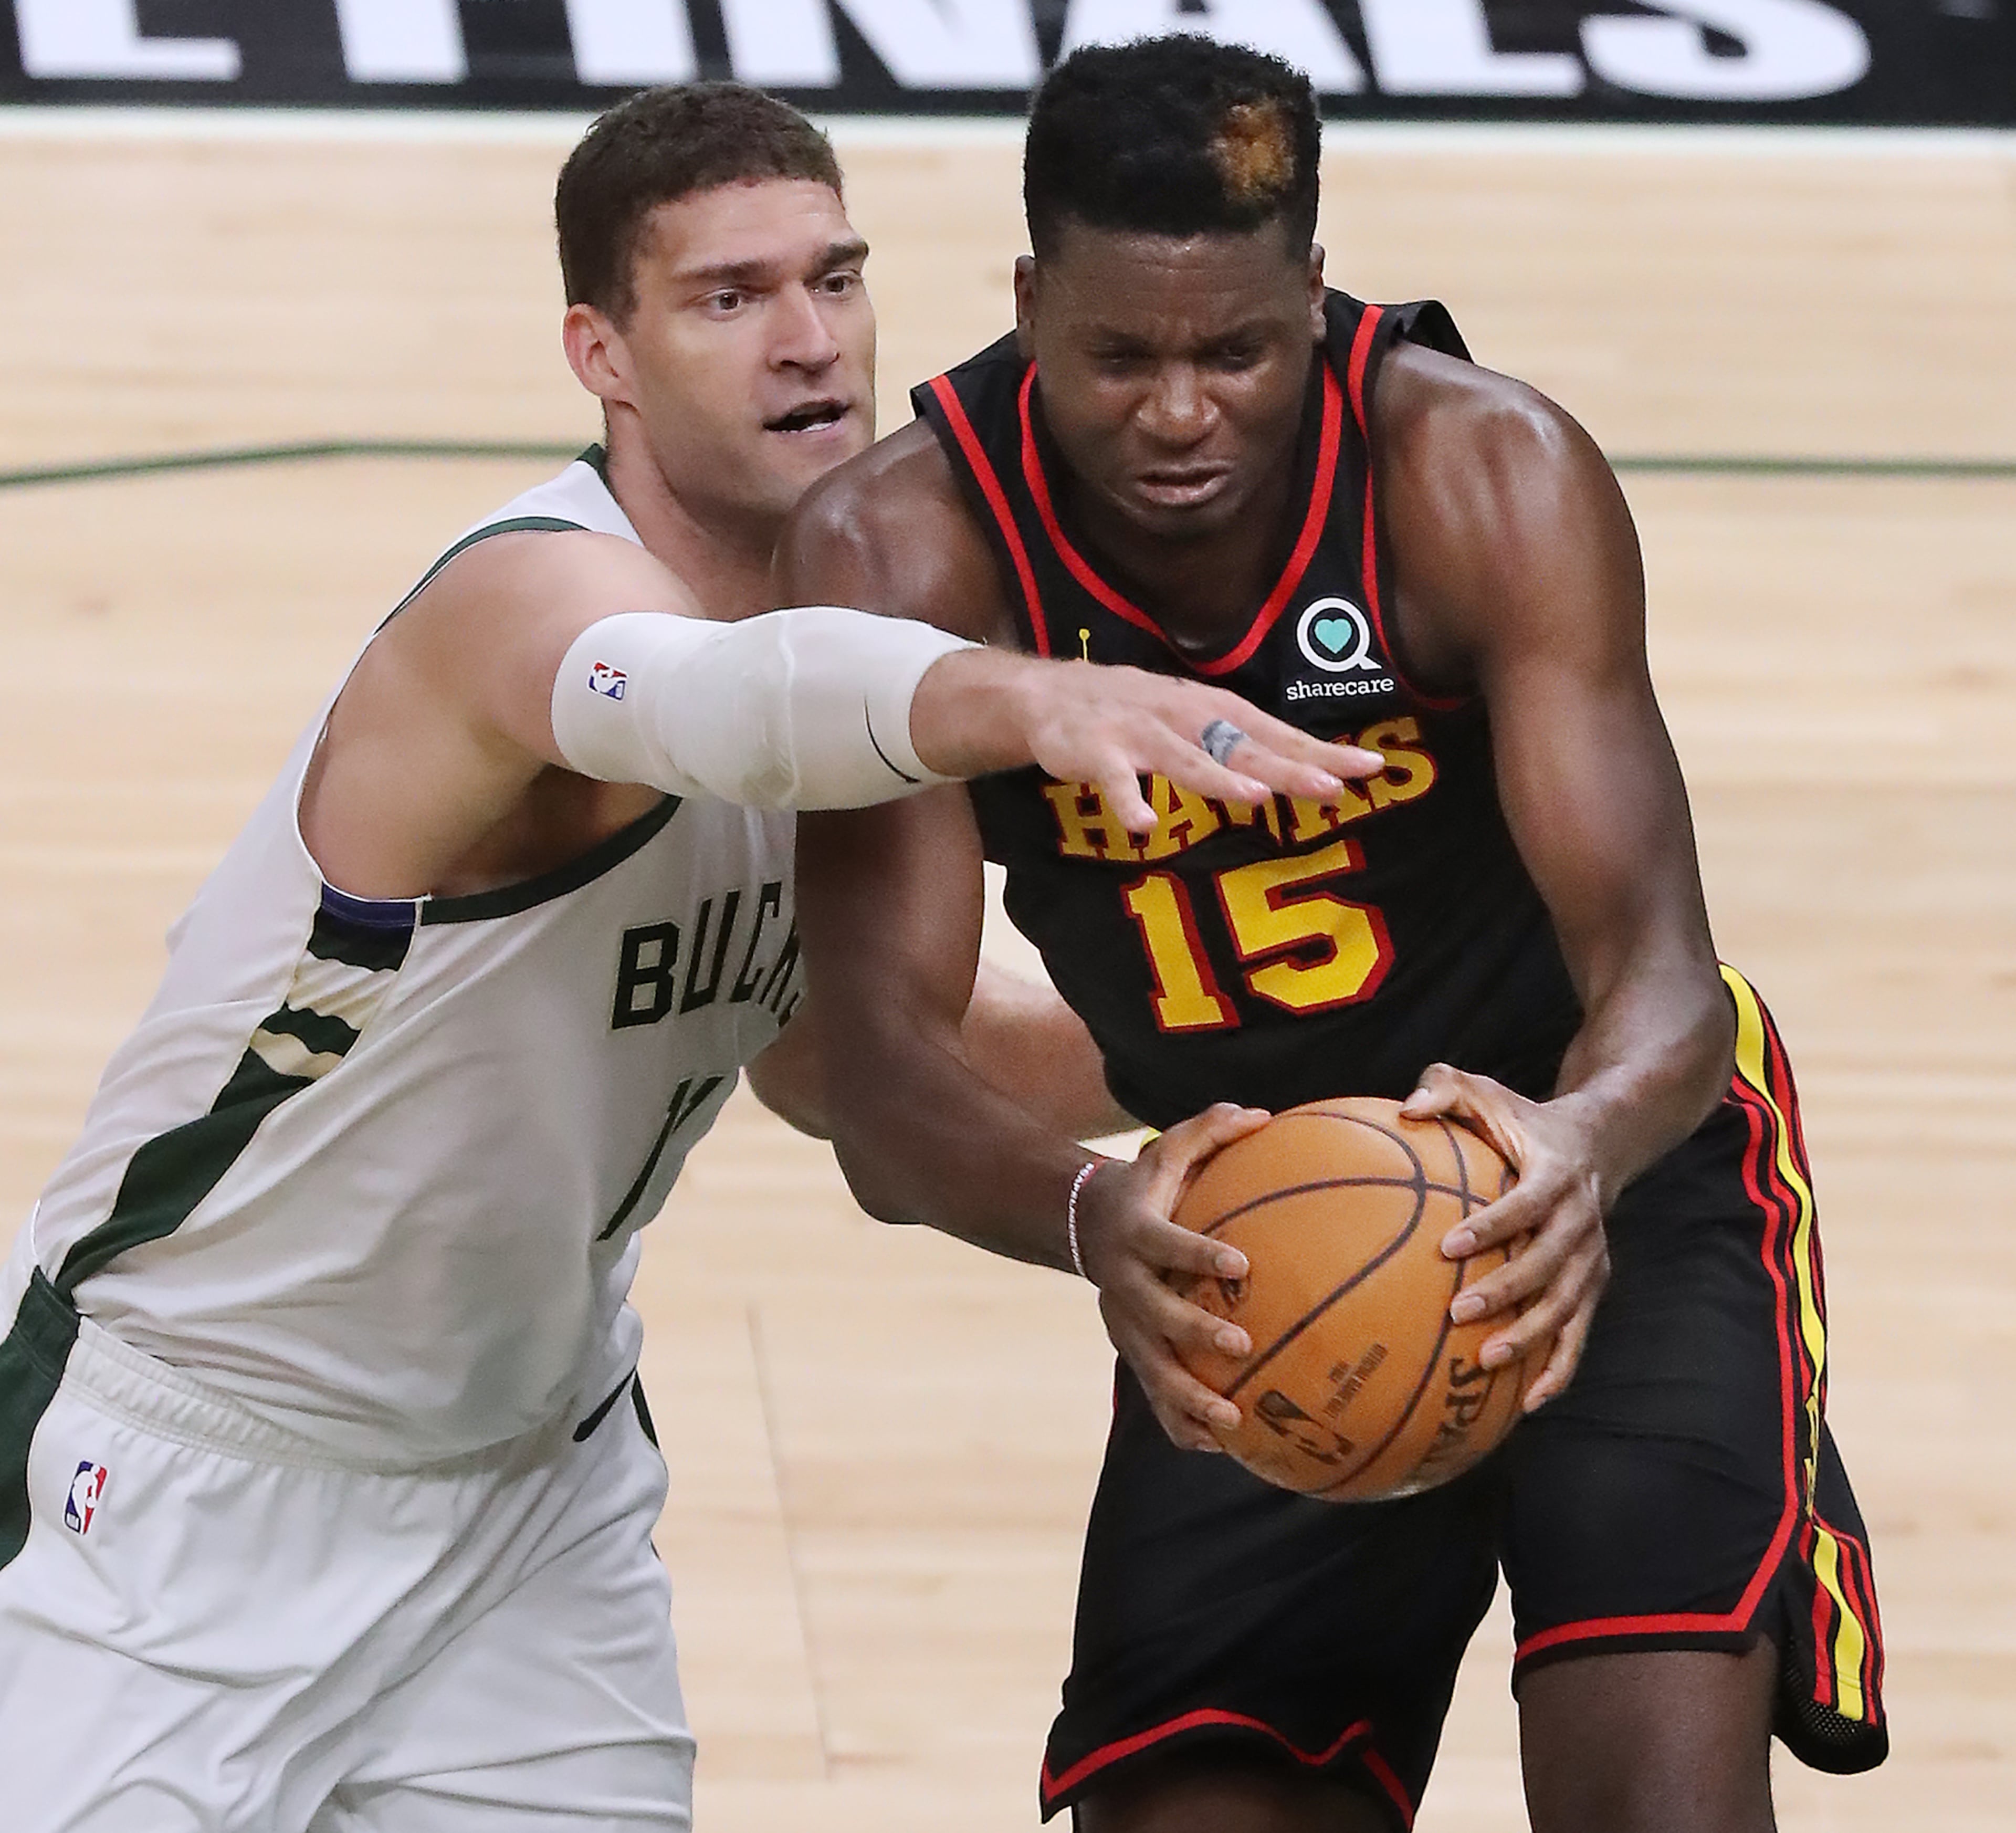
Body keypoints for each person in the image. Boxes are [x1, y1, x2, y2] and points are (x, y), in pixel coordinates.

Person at [0, 83, 1385, 1833]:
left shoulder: (847, 668)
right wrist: (1037, 692)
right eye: (730, 298)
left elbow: (846, 1061)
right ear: (603, 350)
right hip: (177, 1480)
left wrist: (1289, 1011)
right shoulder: (530, 610)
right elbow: (719, 707)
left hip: (525, 1502)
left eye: (835, 277)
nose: (808, 341)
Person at [784, 37, 1887, 1833]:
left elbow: (1665, 978)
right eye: (1118, 356)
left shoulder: (1486, 475)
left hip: (1609, 1171)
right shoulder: (900, 553)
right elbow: (878, 1079)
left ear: (1316, 290)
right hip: (1256, 1239)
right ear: (1025, 300)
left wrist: (1582, 1145)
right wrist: (1092, 1212)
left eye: (1236, 351)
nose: (1178, 411)